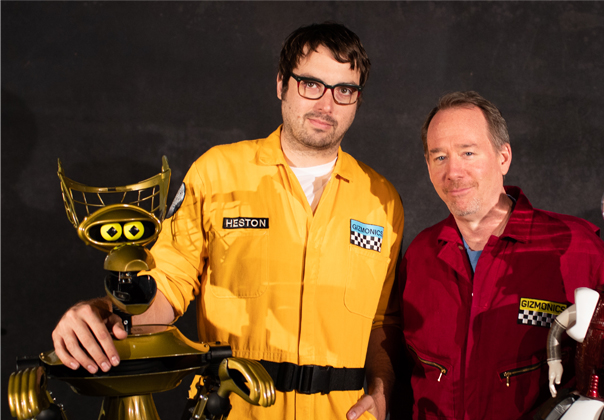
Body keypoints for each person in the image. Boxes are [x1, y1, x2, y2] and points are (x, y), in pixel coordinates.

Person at [51, 22, 404, 420]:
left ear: (357, 99)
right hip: (232, 409)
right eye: (311, 84)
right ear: (281, 84)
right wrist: (105, 313)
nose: (327, 104)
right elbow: (167, 284)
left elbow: (383, 320)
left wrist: (381, 390)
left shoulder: (381, 200)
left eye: (344, 90)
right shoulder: (216, 173)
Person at [398, 91, 604, 420]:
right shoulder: (421, 256)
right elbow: (406, 376)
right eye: (439, 157)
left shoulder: (575, 251)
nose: (453, 171)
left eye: (468, 152)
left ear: (503, 157)